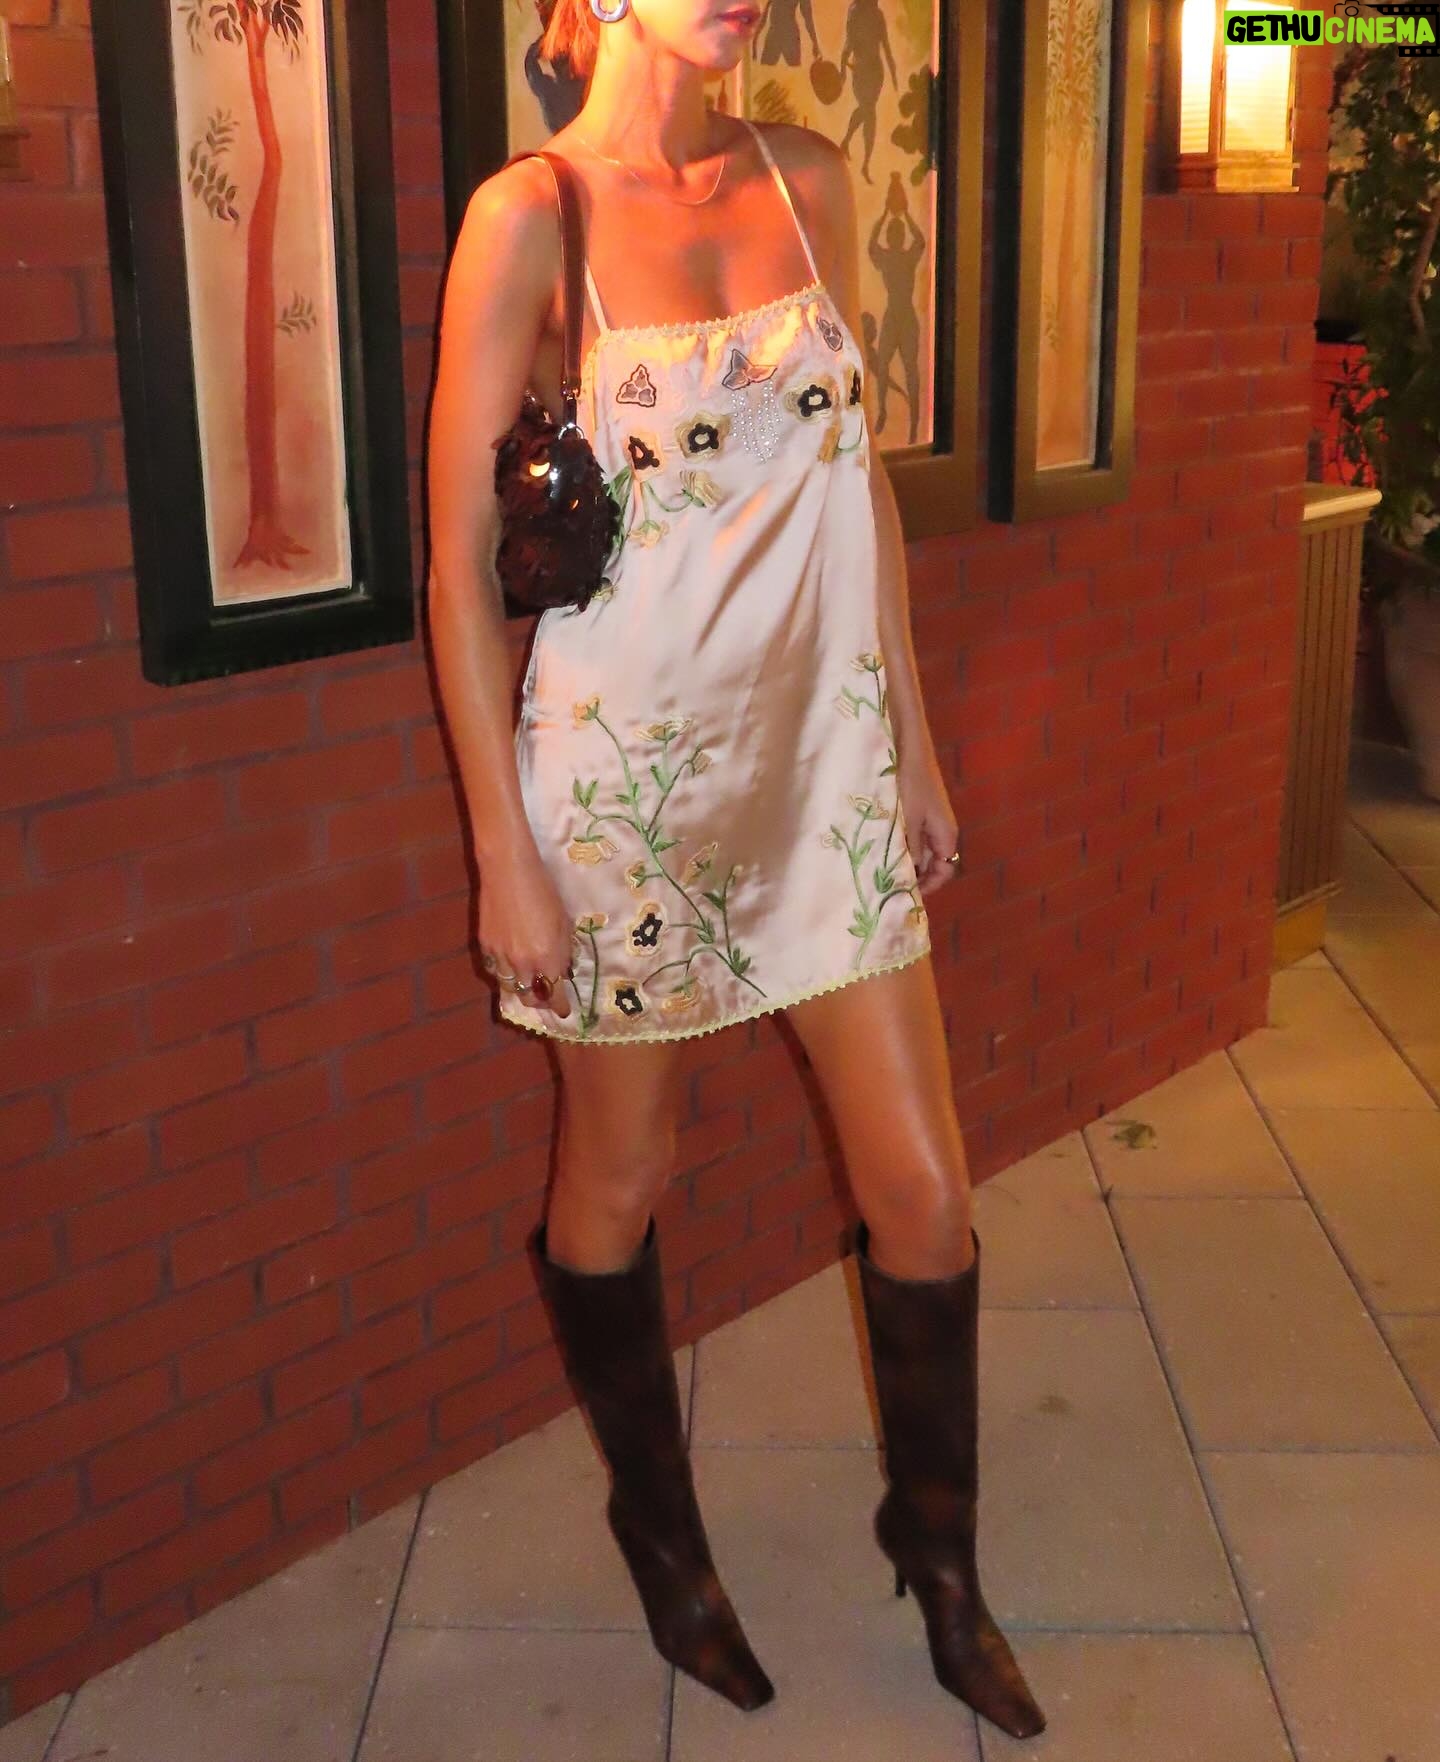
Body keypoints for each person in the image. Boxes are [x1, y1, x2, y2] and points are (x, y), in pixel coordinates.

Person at [424, 0, 1045, 1741]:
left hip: (822, 771)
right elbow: (456, 565)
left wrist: (909, 734)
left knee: (923, 1191)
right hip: (625, 791)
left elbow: (864, 485)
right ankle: (664, 1537)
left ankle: (938, 1557)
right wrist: (502, 850)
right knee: (622, 1172)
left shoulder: (811, 180)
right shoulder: (531, 216)